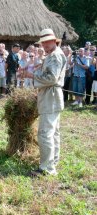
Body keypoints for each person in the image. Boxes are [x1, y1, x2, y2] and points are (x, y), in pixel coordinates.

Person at [24, 28, 67, 176]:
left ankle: (46, 169)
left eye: (47, 41)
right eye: (43, 42)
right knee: (53, 132)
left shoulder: (55, 56)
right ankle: (52, 164)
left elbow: (51, 78)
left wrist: (32, 74)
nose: (45, 45)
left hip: (51, 96)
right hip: (52, 95)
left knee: (45, 133)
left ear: (54, 41)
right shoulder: (54, 55)